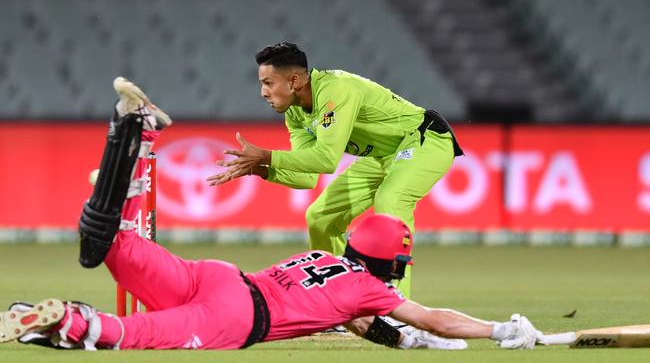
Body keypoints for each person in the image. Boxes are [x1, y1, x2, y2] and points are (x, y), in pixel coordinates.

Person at [0, 78, 543, 351]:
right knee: (130, 333)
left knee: (115, 246)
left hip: (215, 275)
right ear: (392, 260)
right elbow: (431, 317)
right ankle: (68, 321)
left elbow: (361, 321)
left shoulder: (320, 257)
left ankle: (135, 142)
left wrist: (404, 341)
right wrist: (500, 329)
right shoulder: (372, 292)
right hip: (235, 316)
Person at [207, 42, 464, 298]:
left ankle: (395, 305)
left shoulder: (335, 90)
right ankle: (339, 301)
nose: (263, 92)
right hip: (382, 156)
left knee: (391, 199)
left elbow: (327, 159)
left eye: (268, 83)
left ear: (294, 81)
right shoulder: (295, 114)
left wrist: (268, 156)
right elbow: (305, 176)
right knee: (320, 218)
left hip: (425, 139)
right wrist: (260, 169)